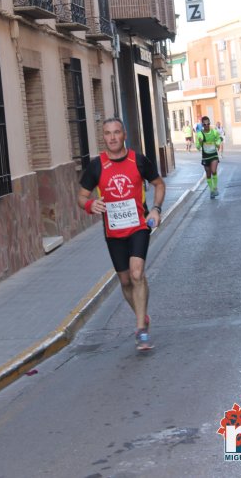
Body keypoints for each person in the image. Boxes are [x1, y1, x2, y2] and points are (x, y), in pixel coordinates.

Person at [78, 117, 165, 351]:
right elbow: (82, 196)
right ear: (103, 137)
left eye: (117, 132)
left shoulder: (138, 161)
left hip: (138, 226)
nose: (113, 137)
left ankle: (140, 330)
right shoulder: (96, 166)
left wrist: (156, 210)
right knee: (125, 281)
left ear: (124, 134)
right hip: (113, 232)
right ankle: (141, 315)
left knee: (137, 274)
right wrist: (89, 205)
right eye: (108, 133)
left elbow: (159, 184)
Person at [195, 116, 222, 198]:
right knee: (208, 173)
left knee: (214, 171)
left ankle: (215, 188)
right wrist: (200, 143)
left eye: (208, 124)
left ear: (210, 123)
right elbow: (198, 147)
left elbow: (220, 138)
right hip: (205, 156)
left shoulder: (214, 132)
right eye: (205, 124)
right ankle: (211, 190)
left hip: (213, 155)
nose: (207, 125)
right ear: (202, 125)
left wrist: (218, 143)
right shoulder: (200, 134)